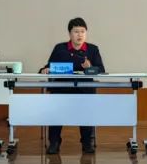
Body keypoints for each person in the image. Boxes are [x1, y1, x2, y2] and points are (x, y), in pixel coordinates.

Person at [45, 17, 106, 155]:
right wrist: (45, 69)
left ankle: (87, 142)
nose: (80, 35)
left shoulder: (92, 49)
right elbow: (48, 67)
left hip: (84, 89)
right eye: (76, 32)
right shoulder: (60, 48)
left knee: (86, 113)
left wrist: (90, 67)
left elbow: (101, 70)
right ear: (69, 33)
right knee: (56, 113)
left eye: (82, 31)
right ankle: (54, 142)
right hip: (62, 89)